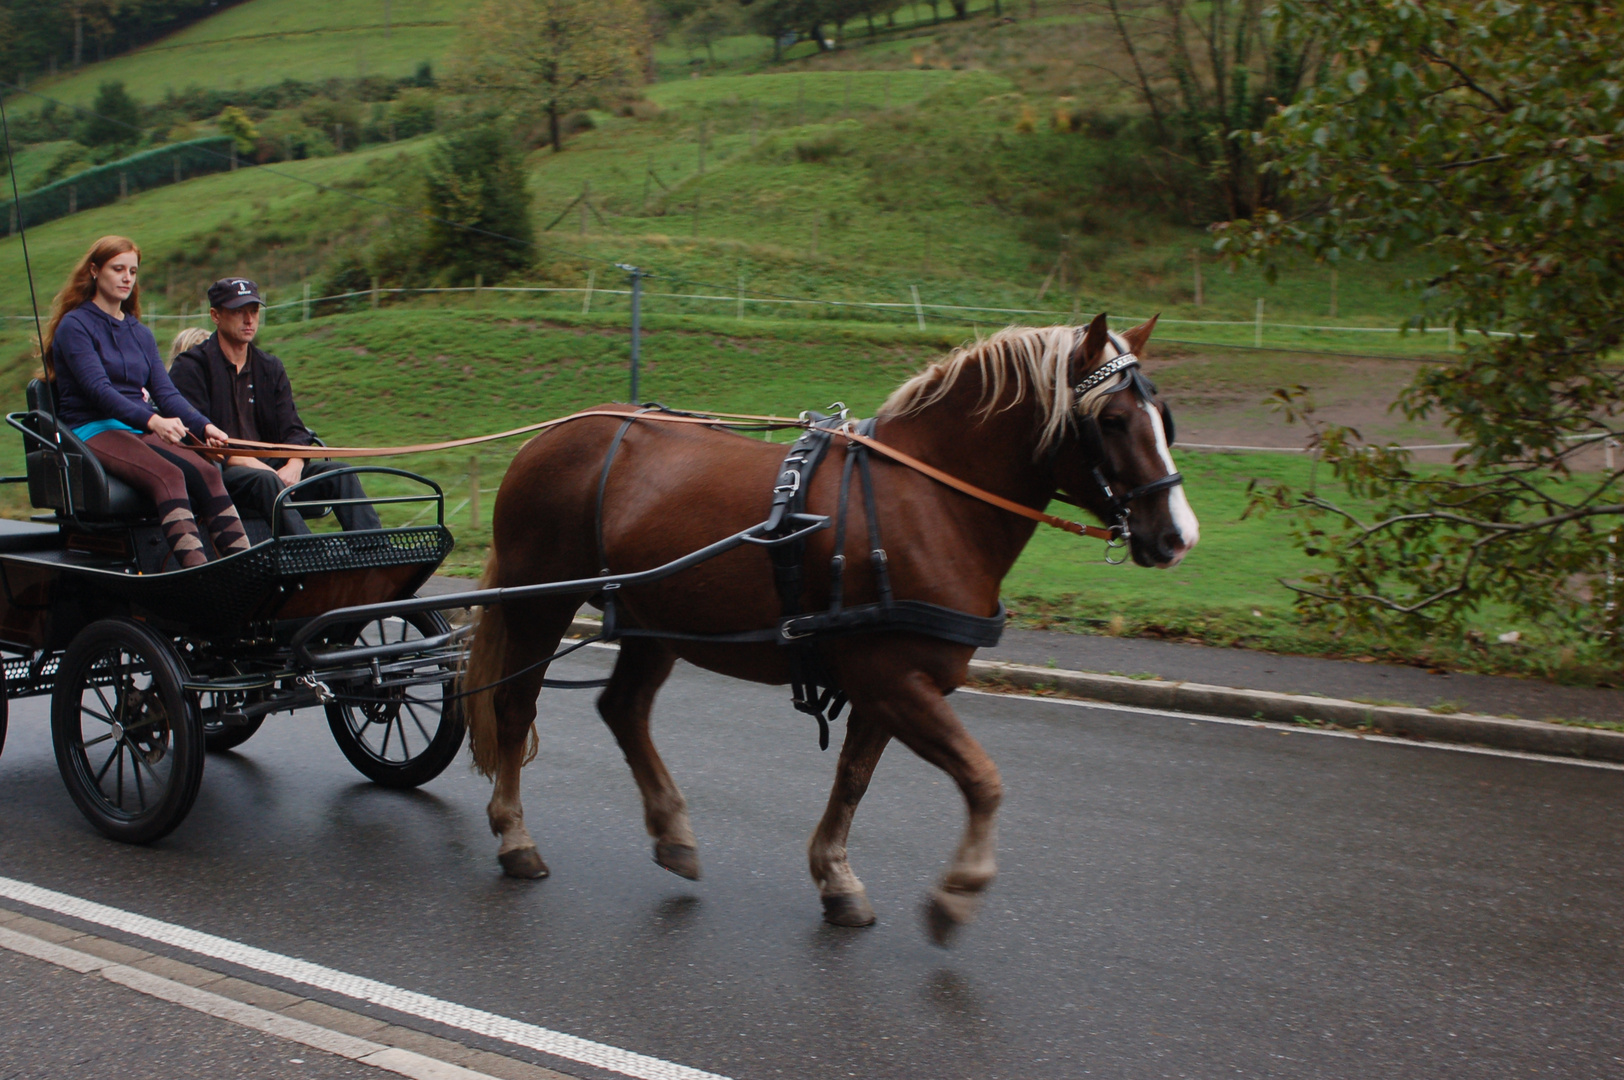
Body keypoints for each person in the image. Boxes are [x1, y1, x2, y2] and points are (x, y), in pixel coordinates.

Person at [42, 235, 250, 569]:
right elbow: (99, 391)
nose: (127, 278)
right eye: (118, 269)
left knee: (208, 472)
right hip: (94, 427)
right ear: (95, 271)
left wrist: (206, 427)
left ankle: (242, 567)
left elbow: (166, 394)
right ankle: (198, 573)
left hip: (136, 425)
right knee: (168, 475)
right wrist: (153, 421)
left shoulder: (139, 332)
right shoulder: (75, 326)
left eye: (133, 271)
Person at [170, 277, 382, 538]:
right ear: (215, 315)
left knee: (340, 473)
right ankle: (308, 554)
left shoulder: (270, 367)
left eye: (254, 311)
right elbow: (197, 440)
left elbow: (294, 429)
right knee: (266, 481)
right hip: (222, 474)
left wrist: (294, 465)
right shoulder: (190, 367)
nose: (249, 320)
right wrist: (267, 470)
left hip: (276, 470)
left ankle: (373, 550)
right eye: (238, 311)